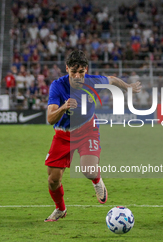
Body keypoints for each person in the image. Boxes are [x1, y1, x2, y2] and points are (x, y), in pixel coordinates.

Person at [44, 50, 141, 222]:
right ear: (67, 69)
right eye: (73, 72)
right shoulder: (57, 86)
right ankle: (60, 209)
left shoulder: (93, 82)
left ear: (86, 70)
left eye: (81, 72)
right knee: (53, 180)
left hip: (87, 130)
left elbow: (111, 79)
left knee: (88, 169)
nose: (77, 76)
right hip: (62, 135)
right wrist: (63, 107)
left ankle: (97, 181)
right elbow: (50, 118)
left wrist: (127, 87)